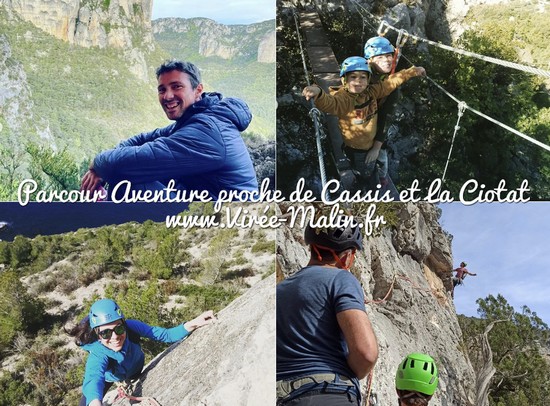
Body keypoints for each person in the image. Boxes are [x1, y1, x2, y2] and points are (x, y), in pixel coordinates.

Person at [80, 60, 258, 200]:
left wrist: (98, 164)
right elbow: (142, 139)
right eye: (162, 89)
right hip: (207, 210)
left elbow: (131, 161)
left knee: (125, 179)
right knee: (125, 171)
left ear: (198, 90)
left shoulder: (208, 131)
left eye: (176, 87)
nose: (167, 96)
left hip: (230, 225)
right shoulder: (193, 121)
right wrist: (102, 169)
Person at [276, 222, 379, 405]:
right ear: (347, 256)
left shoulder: (279, 290)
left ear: (312, 247)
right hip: (329, 393)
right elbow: (366, 353)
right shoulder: (341, 279)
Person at [302, 56, 425, 191]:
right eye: (353, 77)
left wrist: (412, 71)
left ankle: (366, 184)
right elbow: (331, 104)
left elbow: (390, 83)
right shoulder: (344, 99)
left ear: (368, 80)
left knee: (366, 170)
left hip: (367, 145)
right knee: (364, 172)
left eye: (363, 77)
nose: (358, 81)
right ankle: (366, 186)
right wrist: (319, 92)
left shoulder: (371, 92)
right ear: (344, 80)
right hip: (358, 149)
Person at [68, 298, 215, 406]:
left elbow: (164, 334)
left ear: (124, 324)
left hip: (135, 370)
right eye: (106, 333)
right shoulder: (98, 353)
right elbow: (94, 379)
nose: (115, 337)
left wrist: (194, 323)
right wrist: (95, 402)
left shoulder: (132, 327)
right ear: (97, 334)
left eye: (119, 329)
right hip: (111, 377)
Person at [363, 36, 399, 182]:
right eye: (381, 57)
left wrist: (377, 147)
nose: (387, 60)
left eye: (389, 55)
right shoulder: (362, 75)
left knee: (380, 157)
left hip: (377, 127)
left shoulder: (391, 86)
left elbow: (387, 117)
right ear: (370, 59)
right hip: (361, 125)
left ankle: (382, 179)